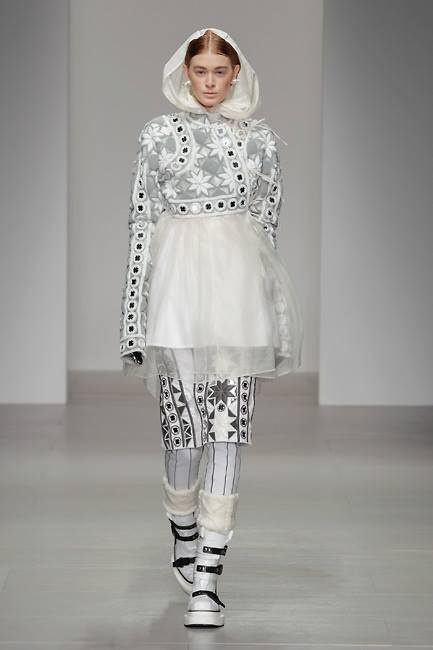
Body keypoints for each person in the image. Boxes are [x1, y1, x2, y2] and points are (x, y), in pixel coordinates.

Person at [119, 27, 303, 628]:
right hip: (175, 295)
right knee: (183, 436)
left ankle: (208, 577)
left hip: (237, 295)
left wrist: (275, 317)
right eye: (200, 70)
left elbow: (267, 232)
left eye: (219, 71)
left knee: (228, 431)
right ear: (185, 72)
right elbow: (142, 224)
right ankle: (183, 526)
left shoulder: (261, 142)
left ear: (236, 73)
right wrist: (131, 320)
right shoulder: (156, 136)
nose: (209, 82)